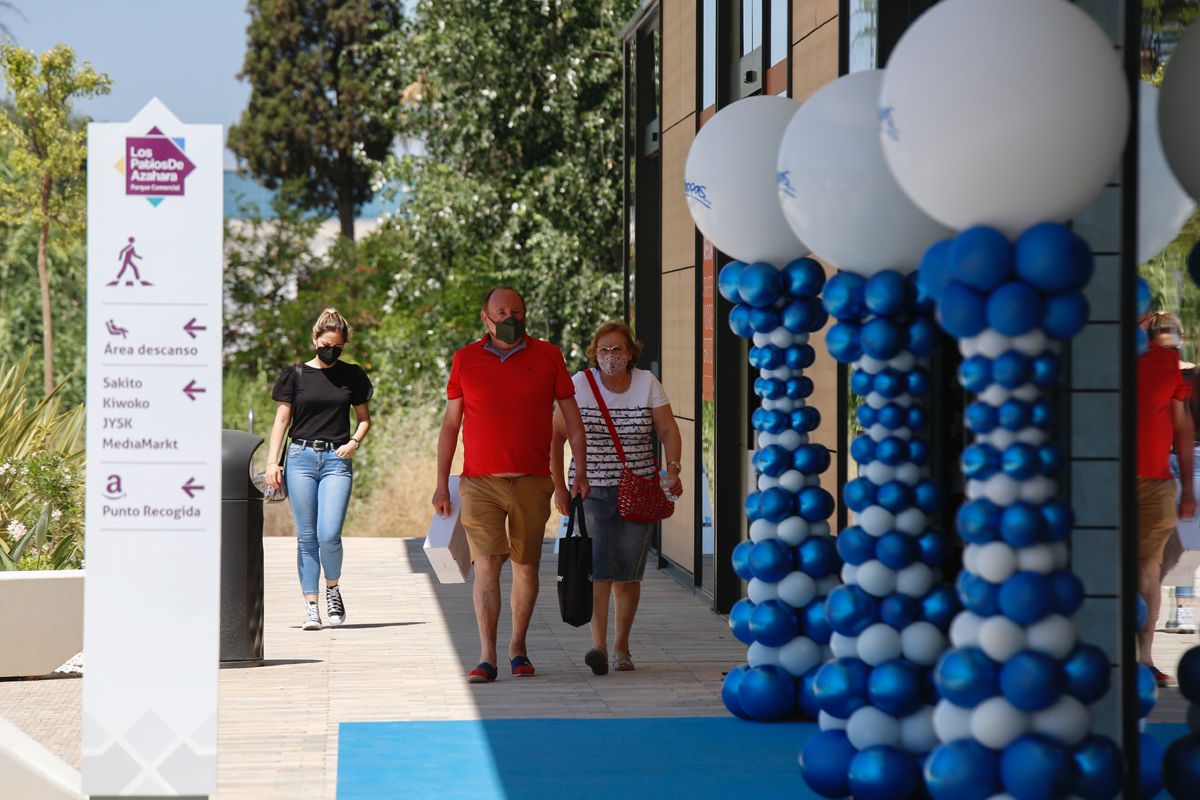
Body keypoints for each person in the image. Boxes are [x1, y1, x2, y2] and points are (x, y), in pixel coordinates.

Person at [433, 287, 589, 683]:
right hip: (479, 482)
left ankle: (517, 647)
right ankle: (487, 657)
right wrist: (440, 483)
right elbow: (451, 425)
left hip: (532, 481)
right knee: (485, 563)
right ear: (485, 318)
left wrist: (576, 474)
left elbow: (573, 421)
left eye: (516, 310)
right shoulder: (465, 360)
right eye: (501, 311)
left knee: (526, 567)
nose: (509, 317)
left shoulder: (549, 356)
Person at [551, 322, 682, 675]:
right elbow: (555, 437)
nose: (610, 357)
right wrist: (558, 487)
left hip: (637, 490)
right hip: (590, 489)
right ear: (594, 353)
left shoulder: (646, 384)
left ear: (631, 353)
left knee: (627, 574)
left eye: (618, 350)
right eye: (604, 351)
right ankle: (599, 647)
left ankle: (622, 646)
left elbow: (668, 429)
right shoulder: (580, 385)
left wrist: (673, 467)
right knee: (597, 571)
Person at [266, 308, 373, 631]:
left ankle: (333, 588)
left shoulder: (352, 375)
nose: (331, 351)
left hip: (336, 461)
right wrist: (273, 461)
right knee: (307, 536)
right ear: (314, 340)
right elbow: (282, 421)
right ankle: (311, 606)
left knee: (329, 534)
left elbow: (364, 418)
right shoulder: (295, 375)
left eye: (338, 347)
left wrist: (354, 441)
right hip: (300, 458)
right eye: (327, 344)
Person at [1137, 311, 1195, 686]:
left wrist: (1188, 486)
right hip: (1100, 479)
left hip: (1154, 484)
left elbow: (1182, 425)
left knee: (1149, 570)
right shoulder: (1096, 355)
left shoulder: (1165, 360)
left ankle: (1145, 658)